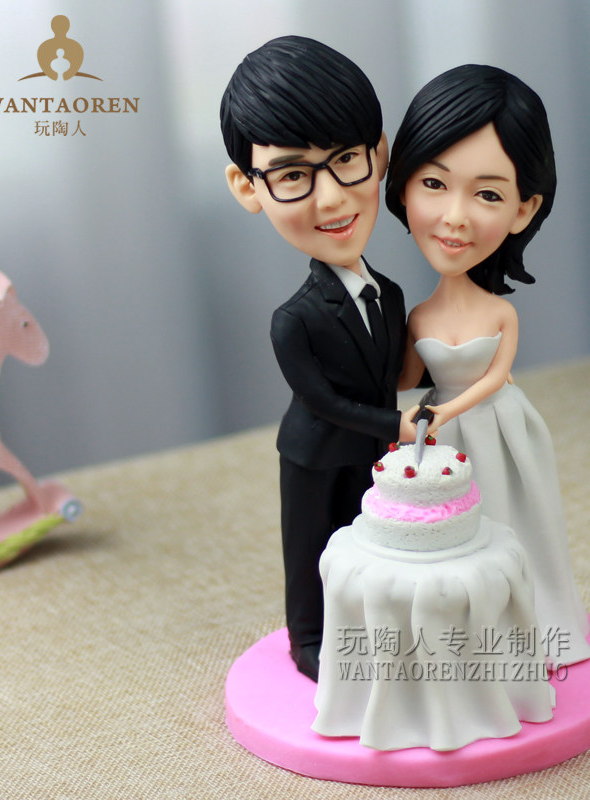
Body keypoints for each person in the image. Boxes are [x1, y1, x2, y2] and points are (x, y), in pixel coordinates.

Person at [220, 36, 417, 681]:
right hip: (315, 453)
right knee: (314, 548)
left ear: (379, 155)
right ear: (248, 187)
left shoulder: (391, 294)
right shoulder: (294, 319)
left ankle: (376, 630)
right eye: (292, 175)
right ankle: (310, 641)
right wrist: (394, 424)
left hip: (376, 450)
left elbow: (396, 371)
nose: (330, 199)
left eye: (347, 160)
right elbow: (323, 401)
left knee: (373, 542)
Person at [386, 65, 590, 667]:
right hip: (437, 441)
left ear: (524, 209)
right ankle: (453, 643)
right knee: (446, 541)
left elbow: (496, 378)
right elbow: (404, 381)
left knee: (511, 523)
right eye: (434, 183)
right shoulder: (417, 316)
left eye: (488, 195)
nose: (455, 217)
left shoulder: (500, 312)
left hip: (496, 431)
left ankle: (528, 630)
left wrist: (442, 411)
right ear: (403, 185)